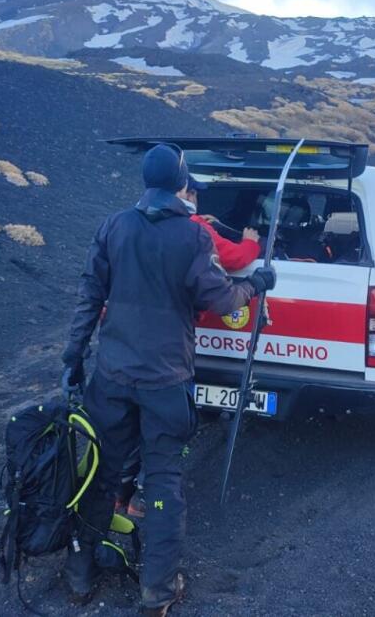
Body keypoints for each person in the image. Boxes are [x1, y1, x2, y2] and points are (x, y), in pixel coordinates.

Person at [61, 144, 274, 616]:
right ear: (182, 185)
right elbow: (223, 300)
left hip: (111, 376)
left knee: (101, 472)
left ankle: (80, 575)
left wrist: (73, 356)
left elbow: (88, 295)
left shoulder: (114, 226)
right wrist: (256, 284)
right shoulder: (192, 236)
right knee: (162, 481)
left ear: (145, 182)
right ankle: (156, 591)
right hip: (166, 379)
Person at [113, 173, 260, 518]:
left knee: (129, 423)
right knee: (167, 429)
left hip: (123, 349)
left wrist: (75, 355)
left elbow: (94, 289)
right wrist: (252, 247)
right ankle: (148, 500)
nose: (196, 199)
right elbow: (233, 266)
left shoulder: (126, 225)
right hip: (170, 354)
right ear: (183, 193)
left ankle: (118, 496)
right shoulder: (197, 232)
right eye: (193, 192)